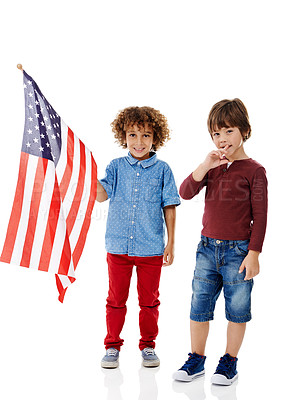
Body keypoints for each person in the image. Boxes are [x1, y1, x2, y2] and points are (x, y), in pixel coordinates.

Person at [173, 99, 267, 385]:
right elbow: (185, 192)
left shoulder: (254, 171)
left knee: (237, 308)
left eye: (228, 131)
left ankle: (229, 362)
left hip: (238, 252)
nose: (222, 139)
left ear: (245, 131)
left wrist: (253, 254)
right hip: (206, 249)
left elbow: (261, 216)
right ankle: (196, 359)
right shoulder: (212, 167)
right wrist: (205, 164)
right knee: (199, 304)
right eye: (216, 133)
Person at [97, 106, 180, 369]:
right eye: (132, 135)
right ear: (124, 137)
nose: (139, 142)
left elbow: (170, 206)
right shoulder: (116, 167)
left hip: (151, 248)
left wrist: (171, 242)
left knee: (149, 301)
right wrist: (87, 174)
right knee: (115, 299)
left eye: (145, 135)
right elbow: (101, 195)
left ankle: (148, 345)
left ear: (156, 138)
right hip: (118, 246)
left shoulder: (163, 170)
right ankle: (112, 346)